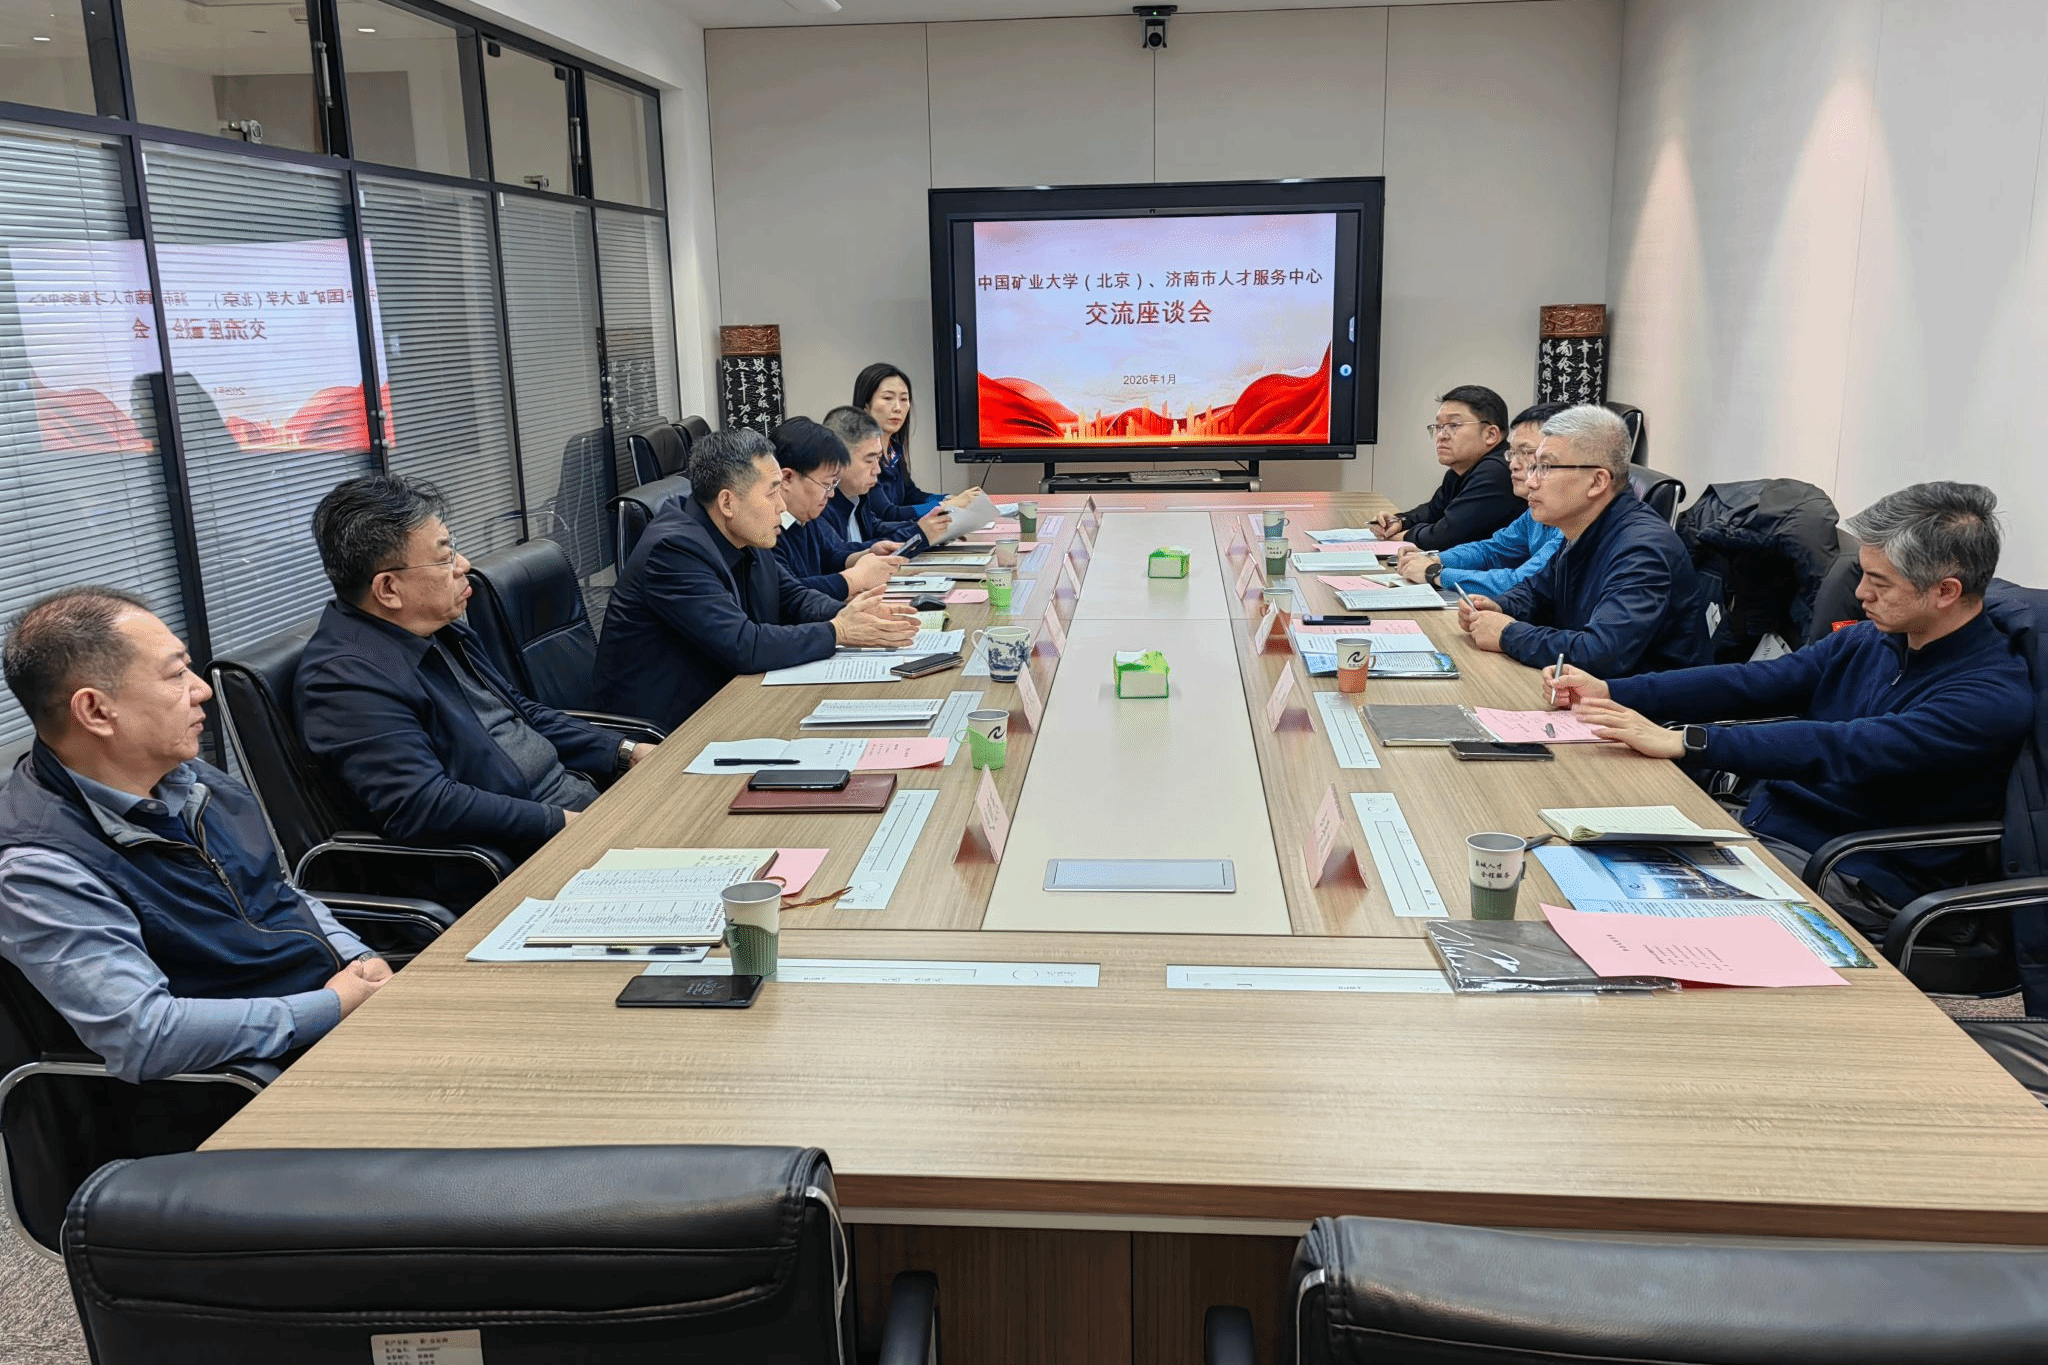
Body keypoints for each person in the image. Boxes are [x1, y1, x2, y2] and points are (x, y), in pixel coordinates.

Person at [1551, 482, 2031, 932]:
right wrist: (1612, 690)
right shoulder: (1874, 639)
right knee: (1572, 854)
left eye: (1880, 583)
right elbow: (1756, 682)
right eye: (1864, 573)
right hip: (1771, 827)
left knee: (1615, 910)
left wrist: (1689, 741)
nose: (1860, 593)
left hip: (1854, 871)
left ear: (1946, 591)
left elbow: (1842, 747)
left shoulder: (1989, 696)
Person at [0, 589, 389, 1083]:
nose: (201, 689)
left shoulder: (189, 778)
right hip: (250, 1085)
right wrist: (329, 1006)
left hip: (331, 1017)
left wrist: (357, 958)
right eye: (175, 674)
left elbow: (278, 893)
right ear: (96, 711)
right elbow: (146, 1035)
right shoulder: (40, 868)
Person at [297, 475, 645, 863]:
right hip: (527, 856)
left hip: (577, 806)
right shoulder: (346, 681)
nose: (464, 565)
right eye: (444, 557)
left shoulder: (438, 629)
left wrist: (625, 751)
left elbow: (521, 714)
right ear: (389, 589)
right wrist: (566, 823)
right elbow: (426, 805)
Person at [594, 428, 920, 730]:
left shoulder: (743, 530)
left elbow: (792, 597)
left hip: (727, 701)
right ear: (727, 502)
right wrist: (840, 631)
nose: (782, 505)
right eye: (772, 492)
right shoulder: (673, 550)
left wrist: (854, 614)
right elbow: (743, 645)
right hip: (667, 733)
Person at [1458, 404, 1709, 676]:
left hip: (1639, 699)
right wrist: (1500, 605)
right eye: (1535, 467)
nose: (1531, 482)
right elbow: (1538, 591)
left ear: (1597, 482)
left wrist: (1507, 634)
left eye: (1545, 468)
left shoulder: (1642, 550)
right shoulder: (1583, 525)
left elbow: (1602, 653)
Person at [1396, 401, 1568, 596]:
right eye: (1513, 453)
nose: (1513, 465)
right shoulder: (1537, 510)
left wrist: (1435, 573)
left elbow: (1524, 582)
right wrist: (1437, 559)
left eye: (1527, 453)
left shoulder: (1574, 521)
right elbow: (1493, 550)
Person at [1368, 385, 1523, 550]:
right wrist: (1399, 521)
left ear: (1490, 435)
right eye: (1438, 426)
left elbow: (1446, 536)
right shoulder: (1459, 471)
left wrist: (1405, 537)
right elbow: (1432, 511)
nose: (1441, 436)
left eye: (1454, 425)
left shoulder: (1496, 471)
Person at [770, 417, 905, 600]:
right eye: (827, 484)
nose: (831, 494)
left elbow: (830, 557)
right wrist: (855, 579)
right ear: (787, 478)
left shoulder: (805, 518)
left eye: (834, 484)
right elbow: (789, 594)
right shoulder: (766, 530)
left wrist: (867, 555)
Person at [821, 405, 954, 552]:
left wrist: (932, 529)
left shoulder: (858, 498)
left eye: (878, 459)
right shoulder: (820, 506)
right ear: (836, 459)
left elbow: (877, 529)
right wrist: (920, 533)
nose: (877, 470)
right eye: (869, 460)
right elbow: (843, 553)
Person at [853, 361, 943, 518]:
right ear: (866, 405)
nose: (898, 408)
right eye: (888, 398)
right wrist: (944, 506)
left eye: (904, 399)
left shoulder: (894, 450)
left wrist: (948, 499)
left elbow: (911, 495)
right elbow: (886, 513)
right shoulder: (860, 455)